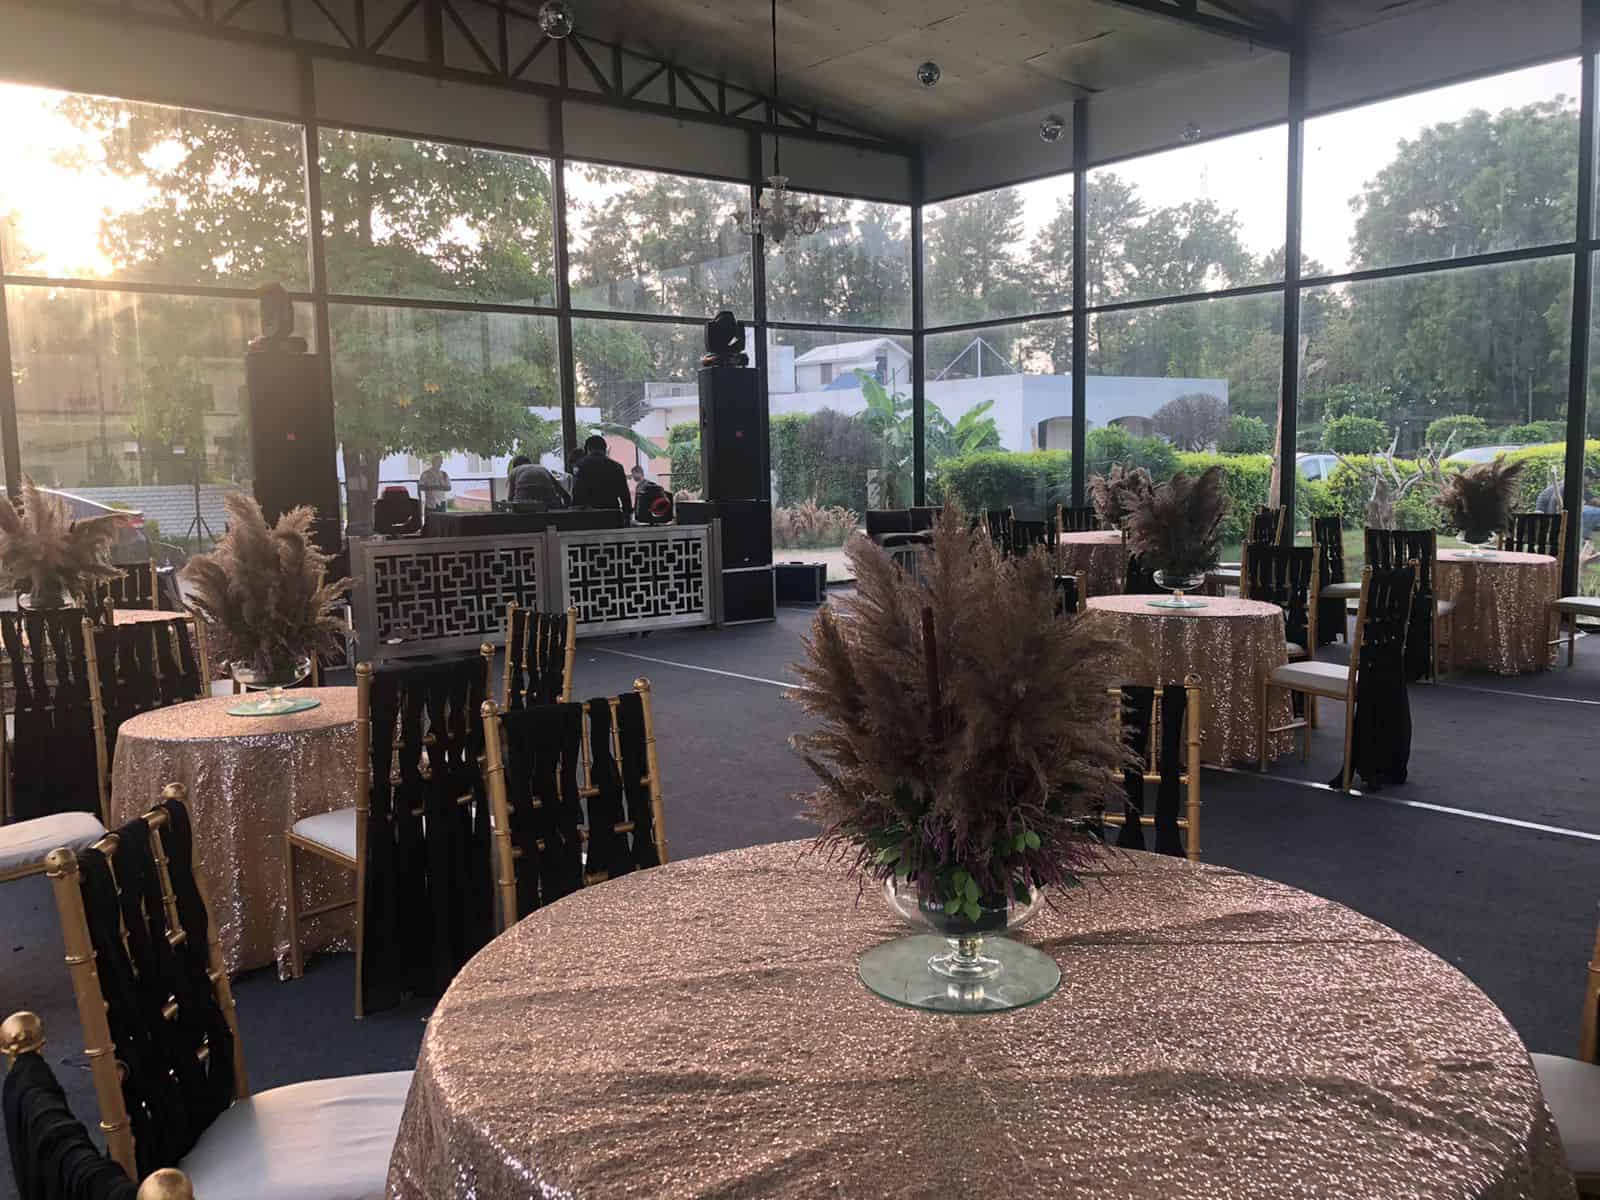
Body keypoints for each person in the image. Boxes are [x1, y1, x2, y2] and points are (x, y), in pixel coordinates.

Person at [571, 434, 633, 523]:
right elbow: (625, 494)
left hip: (588, 516)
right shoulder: (617, 466)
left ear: (588, 449)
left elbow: (577, 493)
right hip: (612, 515)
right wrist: (627, 515)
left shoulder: (580, 465)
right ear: (604, 449)